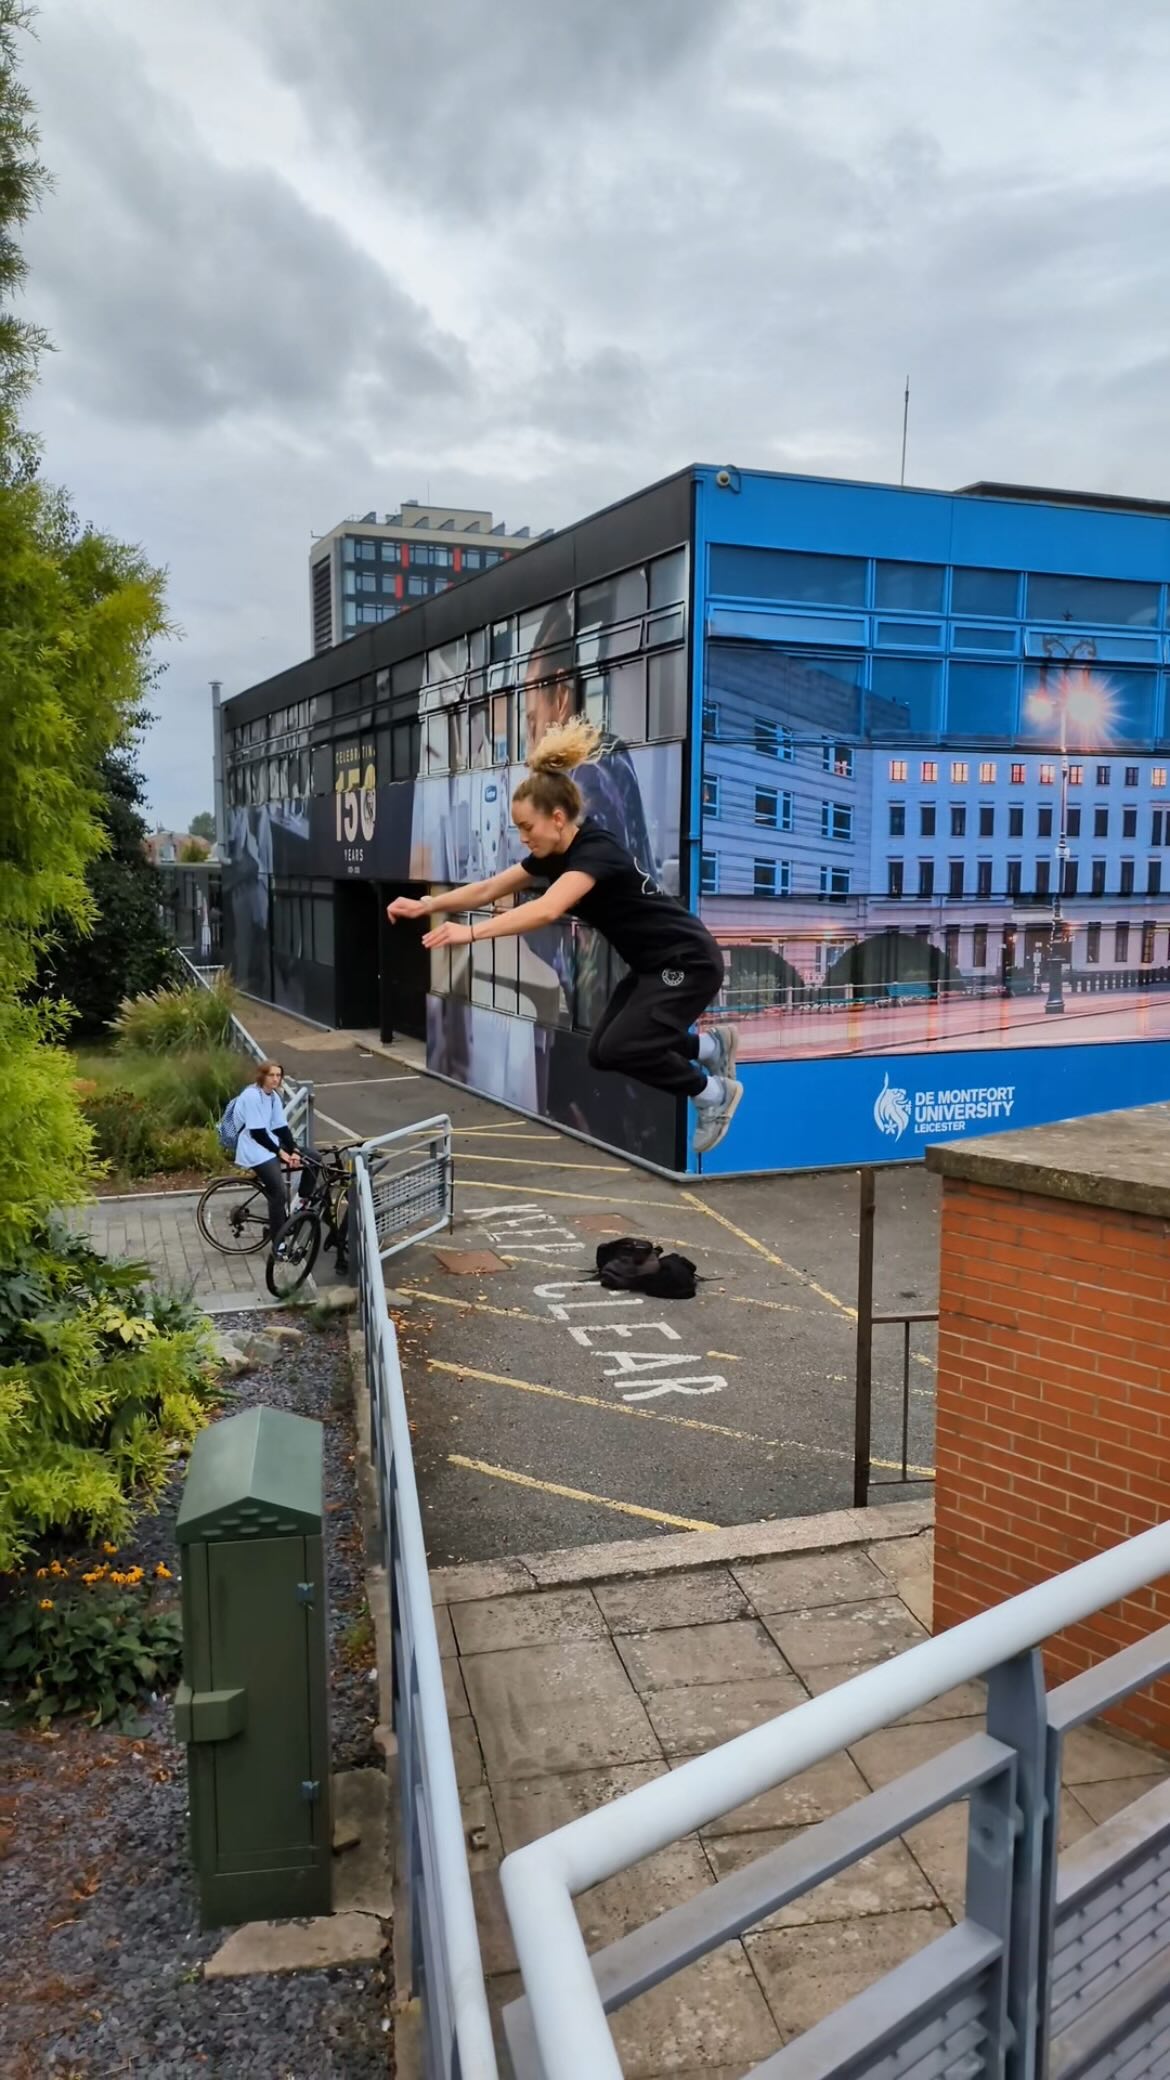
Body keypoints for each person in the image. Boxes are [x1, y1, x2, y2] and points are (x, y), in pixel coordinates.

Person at [388, 718, 742, 1157]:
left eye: (527, 827)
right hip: (654, 966)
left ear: (557, 818)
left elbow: (548, 909)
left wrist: (471, 932)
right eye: (517, 828)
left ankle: (713, 1094)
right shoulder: (557, 852)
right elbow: (488, 888)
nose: (522, 837)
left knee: (625, 1045)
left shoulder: (595, 852)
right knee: (602, 1050)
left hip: (687, 963)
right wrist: (423, 905)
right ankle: (711, 1046)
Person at [231, 1060, 303, 1245]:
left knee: (314, 1158)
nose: (275, 1079)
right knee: (277, 1192)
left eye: (278, 1076)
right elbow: (257, 1133)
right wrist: (280, 1153)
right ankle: (278, 1242)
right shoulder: (252, 1096)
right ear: (262, 1076)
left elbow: (281, 1127)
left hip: (270, 1144)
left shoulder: (274, 1097)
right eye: (271, 1075)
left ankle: (300, 1207)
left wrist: (294, 1149)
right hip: (254, 1148)